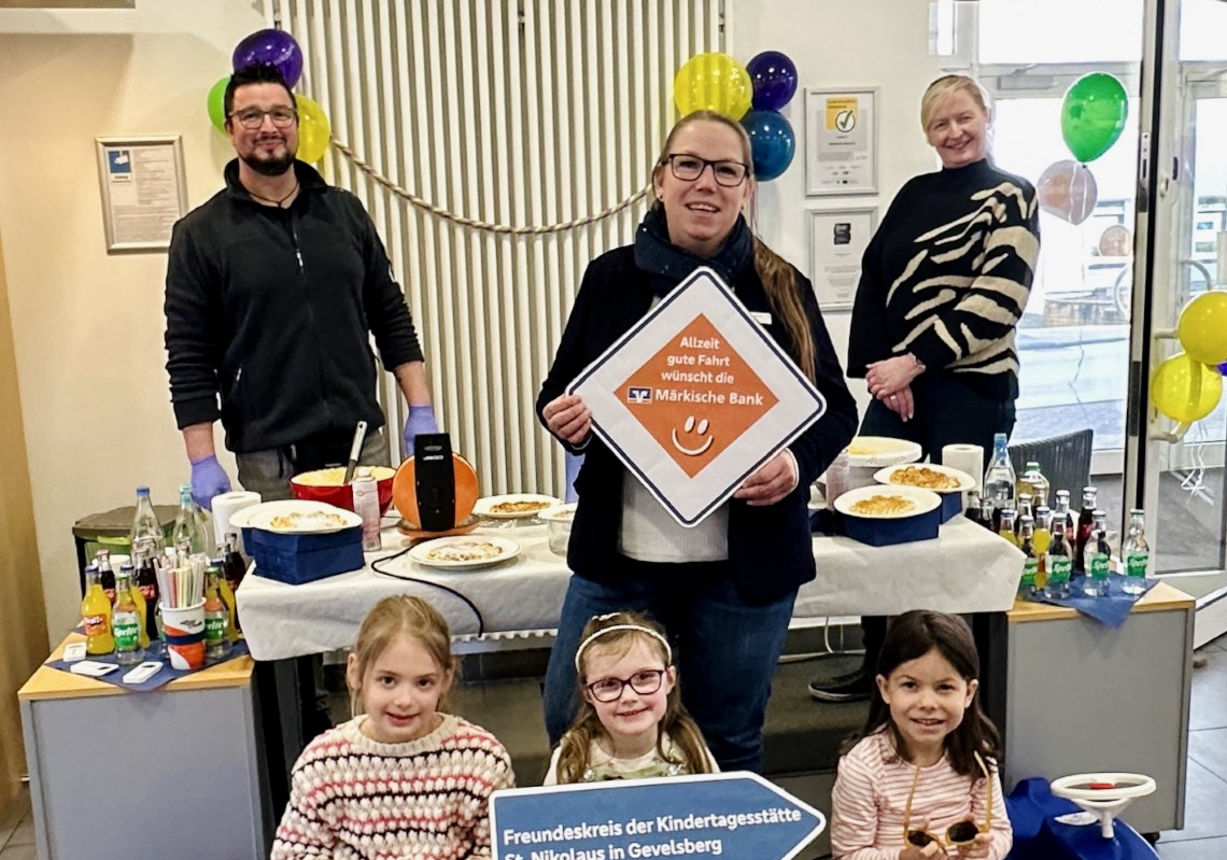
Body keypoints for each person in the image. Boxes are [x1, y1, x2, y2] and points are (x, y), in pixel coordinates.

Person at [537, 110, 858, 772]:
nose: (705, 183)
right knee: (572, 718)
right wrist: (559, 417)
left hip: (744, 565)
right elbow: (558, 390)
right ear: (660, 179)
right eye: (688, 165)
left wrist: (795, 466)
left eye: (726, 169)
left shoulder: (782, 285)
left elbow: (836, 412)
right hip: (622, 557)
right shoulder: (611, 278)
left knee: (728, 737)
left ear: (747, 188)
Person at [811, 75, 1039, 703]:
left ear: (986, 117)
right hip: (900, 386)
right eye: (940, 124)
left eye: (964, 118)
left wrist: (914, 362)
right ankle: (880, 670)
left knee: (948, 533)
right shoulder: (915, 193)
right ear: (927, 134)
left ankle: (951, 684)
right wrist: (886, 372)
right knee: (863, 513)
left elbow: (999, 301)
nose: (954, 133)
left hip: (973, 389)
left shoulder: (1012, 196)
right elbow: (875, 278)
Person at [165, 62, 438, 509]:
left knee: (376, 575)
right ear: (231, 130)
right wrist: (202, 458)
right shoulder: (200, 234)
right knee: (287, 578)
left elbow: (390, 315)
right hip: (271, 463)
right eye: (251, 116)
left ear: (296, 123)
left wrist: (421, 410)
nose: (267, 126)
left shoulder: (345, 214)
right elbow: (188, 355)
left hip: (362, 448)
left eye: (280, 114)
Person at [271, 595, 513, 859]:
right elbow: (293, 854)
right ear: (356, 672)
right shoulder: (321, 766)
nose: (404, 701)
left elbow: (501, 850)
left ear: (446, 679)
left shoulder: (482, 761)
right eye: (388, 680)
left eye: (423, 683)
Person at [830, 610, 1011, 860]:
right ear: (885, 688)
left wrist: (984, 850)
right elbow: (848, 854)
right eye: (910, 685)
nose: (927, 702)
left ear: (968, 693)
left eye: (944, 687)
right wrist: (902, 858)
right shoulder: (863, 768)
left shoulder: (978, 755)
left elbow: (1000, 831)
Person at [545, 612, 718, 784]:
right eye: (609, 684)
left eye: (644, 677)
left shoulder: (689, 747)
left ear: (670, 679)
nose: (629, 697)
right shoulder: (573, 757)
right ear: (588, 694)